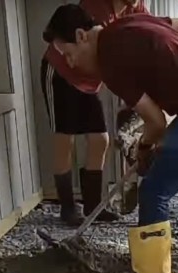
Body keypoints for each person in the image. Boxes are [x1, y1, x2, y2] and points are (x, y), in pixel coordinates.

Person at [43, 4, 178, 273]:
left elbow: (155, 122)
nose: (70, 64)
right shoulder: (128, 24)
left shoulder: (110, 61)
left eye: (69, 55)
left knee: (154, 190)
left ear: (82, 36)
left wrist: (145, 148)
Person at [40, 0, 148, 225]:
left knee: (100, 139)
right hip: (61, 73)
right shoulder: (97, 8)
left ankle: (92, 206)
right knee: (64, 139)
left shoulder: (135, 7)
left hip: (88, 81)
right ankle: (68, 208)